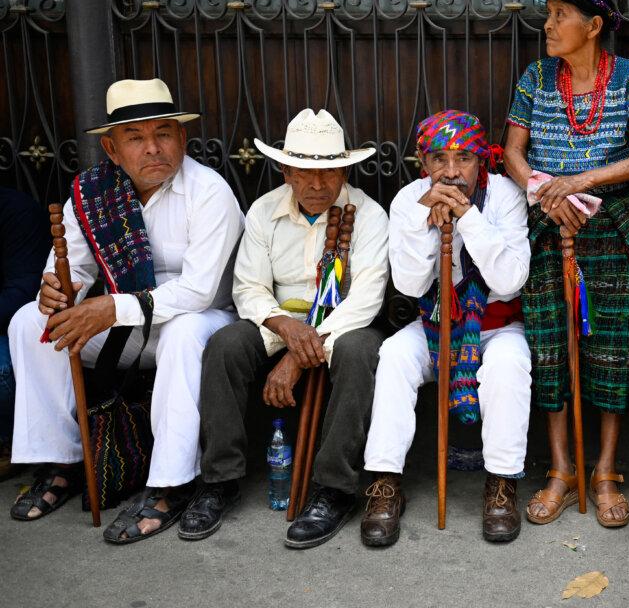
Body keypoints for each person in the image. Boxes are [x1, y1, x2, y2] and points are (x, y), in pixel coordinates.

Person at [8, 78, 244, 544]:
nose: (153, 148)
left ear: (182, 138)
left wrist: (112, 307)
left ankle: (170, 484)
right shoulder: (92, 192)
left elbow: (199, 291)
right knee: (29, 322)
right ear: (113, 150)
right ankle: (63, 464)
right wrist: (54, 292)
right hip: (124, 320)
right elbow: (70, 268)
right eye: (136, 138)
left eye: (164, 134)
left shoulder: (209, 191)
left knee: (183, 332)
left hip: (200, 320)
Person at [181, 108, 389, 548]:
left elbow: (366, 299)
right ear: (285, 170)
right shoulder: (263, 211)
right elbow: (249, 288)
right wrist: (285, 329)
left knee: (360, 353)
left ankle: (334, 489)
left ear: (345, 169)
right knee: (225, 345)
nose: (317, 185)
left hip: (342, 324)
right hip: (280, 320)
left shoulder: (368, 215)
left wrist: (299, 354)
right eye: (304, 172)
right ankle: (220, 480)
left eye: (329, 172)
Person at [503, 0, 629, 528]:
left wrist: (584, 182)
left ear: (592, 27)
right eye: (548, 13)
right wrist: (548, 191)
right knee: (550, 345)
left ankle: (606, 470)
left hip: (611, 232)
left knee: (614, 350)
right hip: (549, 228)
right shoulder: (536, 78)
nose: (547, 25)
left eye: (559, 14)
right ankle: (563, 471)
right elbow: (512, 153)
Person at [361, 110, 531, 546]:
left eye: (464, 158)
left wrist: (468, 217)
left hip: (496, 324)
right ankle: (384, 484)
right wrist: (425, 225)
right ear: (424, 162)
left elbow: (510, 280)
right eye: (440, 159)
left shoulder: (507, 196)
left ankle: (501, 485)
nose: (452, 172)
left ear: (482, 160)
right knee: (395, 355)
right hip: (436, 323)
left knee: (509, 364)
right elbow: (410, 284)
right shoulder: (407, 201)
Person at [0, 187, 51, 479]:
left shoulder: (15, 211)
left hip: (4, 326)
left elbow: (21, 294)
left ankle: (6, 439)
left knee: (2, 369)